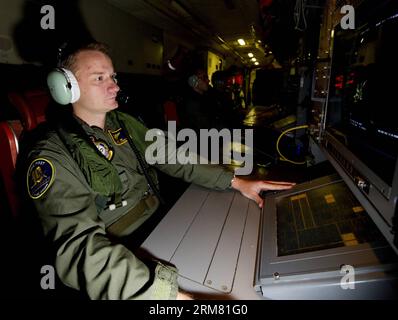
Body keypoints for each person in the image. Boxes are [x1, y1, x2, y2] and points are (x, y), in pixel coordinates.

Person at [24, 42, 295, 300]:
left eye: (113, 76)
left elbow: (173, 156)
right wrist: (164, 296)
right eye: (99, 78)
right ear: (66, 88)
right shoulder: (52, 154)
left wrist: (234, 181)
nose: (114, 86)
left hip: (164, 221)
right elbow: (79, 249)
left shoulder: (124, 124)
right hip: (121, 252)